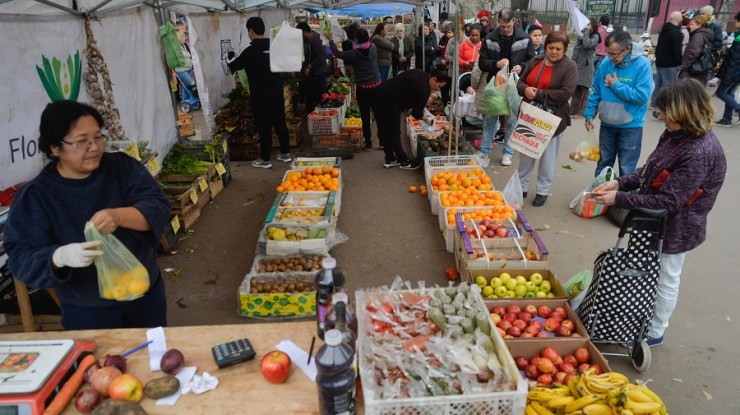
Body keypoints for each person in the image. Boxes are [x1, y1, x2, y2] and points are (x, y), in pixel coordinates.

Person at [4, 100, 171, 330]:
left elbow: (159, 207)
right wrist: (59, 257)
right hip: (88, 310)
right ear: (55, 147)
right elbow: (20, 257)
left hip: (144, 294)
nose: (94, 147)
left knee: (153, 360)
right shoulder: (37, 195)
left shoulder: (122, 168)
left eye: (98, 138)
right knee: (98, 364)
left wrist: (119, 216)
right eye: (82, 141)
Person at [591, 79, 726, 347]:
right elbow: (650, 169)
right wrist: (620, 182)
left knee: (666, 276)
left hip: (677, 225)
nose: (660, 116)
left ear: (683, 112)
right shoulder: (676, 135)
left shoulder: (698, 151)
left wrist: (618, 198)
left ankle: (655, 330)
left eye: (665, 112)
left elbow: (669, 200)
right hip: (652, 220)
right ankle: (637, 318)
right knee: (647, 270)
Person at [515, 32, 578, 207]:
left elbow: (566, 93)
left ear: (565, 49)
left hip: (553, 118)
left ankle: (542, 190)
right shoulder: (536, 61)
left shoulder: (569, 66)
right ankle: (522, 186)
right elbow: (520, 82)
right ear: (546, 46)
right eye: (551, 47)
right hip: (530, 115)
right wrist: (525, 89)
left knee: (548, 157)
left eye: (559, 49)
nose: (554, 52)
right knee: (526, 152)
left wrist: (540, 94)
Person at [585, 30, 654, 177]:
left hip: (631, 126)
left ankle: (623, 198)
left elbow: (642, 96)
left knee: (626, 167)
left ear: (627, 49)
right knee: (603, 163)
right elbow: (596, 90)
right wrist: (589, 113)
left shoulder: (642, 65)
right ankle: (600, 193)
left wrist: (616, 85)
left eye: (614, 54)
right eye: (608, 53)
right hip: (608, 124)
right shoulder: (606, 63)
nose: (610, 58)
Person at [227, 17, 292, 169]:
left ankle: (265, 159)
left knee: (264, 126)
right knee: (280, 123)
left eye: (248, 31)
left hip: (260, 95)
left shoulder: (250, 51)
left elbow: (234, 66)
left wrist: (231, 55)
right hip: (276, 92)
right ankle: (285, 153)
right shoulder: (274, 46)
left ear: (251, 30)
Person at [476, 7, 535, 167]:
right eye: (502, 26)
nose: (505, 30)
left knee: (511, 121)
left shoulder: (524, 38)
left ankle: (508, 153)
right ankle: (484, 151)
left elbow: (532, 60)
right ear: (498, 22)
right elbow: (482, 63)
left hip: (515, 86)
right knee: (490, 120)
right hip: (495, 85)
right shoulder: (489, 38)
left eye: (508, 26)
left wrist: (522, 67)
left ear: (514, 22)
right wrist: (496, 64)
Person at [375, 69, 449, 170]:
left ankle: (390, 159)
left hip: (381, 93)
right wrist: (426, 119)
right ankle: (404, 161)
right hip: (389, 100)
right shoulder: (424, 89)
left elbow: (407, 90)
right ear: (434, 79)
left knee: (387, 129)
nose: (438, 89)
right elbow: (417, 114)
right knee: (394, 132)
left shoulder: (421, 74)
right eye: (439, 86)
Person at [328, 28, 382, 151]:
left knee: (365, 116)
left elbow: (338, 54)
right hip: (377, 87)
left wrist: (331, 40)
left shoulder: (354, 53)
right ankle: (382, 141)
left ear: (356, 40)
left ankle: (368, 143)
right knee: (379, 115)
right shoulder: (373, 48)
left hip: (363, 88)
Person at [650, 11, 684, 110]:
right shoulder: (676, 33)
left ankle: (654, 102)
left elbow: (659, 46)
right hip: (670, 63)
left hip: (660, 60)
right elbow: (677, 49)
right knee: (668, 85)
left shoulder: (663, 30)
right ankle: (664, 105)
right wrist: (679, 61)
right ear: (679, 19)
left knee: (658, 83)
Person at [569, 19, 600, 118]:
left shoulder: (595, 36)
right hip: (577, 65)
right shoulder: (582, 35)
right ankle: (572, 110)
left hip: (586, 67)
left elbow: (587, 45)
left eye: (588, 24)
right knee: (576, 89)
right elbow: (577, 49)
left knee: (584, 90)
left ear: (593, 26)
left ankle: (582, 112)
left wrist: (586, 32)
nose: (586, 26)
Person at [714, 11, 740, 127]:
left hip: (734, 72)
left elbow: (733, 61)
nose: (735, 23)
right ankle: (727, 118)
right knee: (729, 93)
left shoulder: (739, 39)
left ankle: (738, 109)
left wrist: (726, 77)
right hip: (736, 73)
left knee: (721, 92)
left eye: (736, 21)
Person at [297, 21, 327, 114]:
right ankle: (310, 112)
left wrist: (309, 66)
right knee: (309, 92)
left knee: (317, 94)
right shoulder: (307, 40)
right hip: (311, 72)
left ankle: (319, 114)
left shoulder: (316, 40)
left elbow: (321, 56)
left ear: (304, 32)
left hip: (318, 71)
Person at [679, 14, 714, 85]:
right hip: (701, 70)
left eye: (692, 24)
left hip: (692, 71)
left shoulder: (698, 36)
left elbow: (693, 53)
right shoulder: (706, 35)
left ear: (699, 25)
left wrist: (685, 66)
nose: (690, 26)